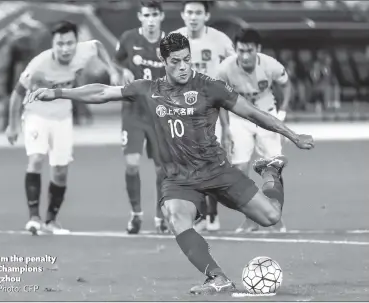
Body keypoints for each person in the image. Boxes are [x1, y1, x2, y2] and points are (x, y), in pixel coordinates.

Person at [26, 33, 314, 294]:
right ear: (163, 61)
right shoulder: (147, 89)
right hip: (179, 178)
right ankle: (217, 277)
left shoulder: (209, 87)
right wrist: (59, 92)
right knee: (175, 216)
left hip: (216, 170)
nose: (183, 66)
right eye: (175, 61)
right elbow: (103, 92)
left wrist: (293, 134)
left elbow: (253, 113)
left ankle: (271, 171)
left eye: (187, 60)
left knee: (271, 217)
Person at [5, 21, 119, 235]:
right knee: (37, 158)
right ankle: (34, 218)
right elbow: (17, 94)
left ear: (76, 43)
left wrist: (111, 70)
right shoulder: (38, 65)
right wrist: (12, 126)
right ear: (53, 44)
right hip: (36, 114)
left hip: (63, 117)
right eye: (60, 44)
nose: (65, 48)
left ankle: (51, 221)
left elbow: (98, 46)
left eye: (69, 43)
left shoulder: (83, 52)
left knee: (60, 171)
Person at [215, 29, 292, 233]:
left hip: (266, 115)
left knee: (273, 169)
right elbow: (219, 100)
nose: (245, 56)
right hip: (238, 119)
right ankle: (251, 219)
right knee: (240, 171)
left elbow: (287, 85)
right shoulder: (224, 69)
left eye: (250, 51)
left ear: (258, 49)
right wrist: (225, 128)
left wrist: (282, 113)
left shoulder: (270, 65)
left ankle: (275, 218)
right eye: (241, 50)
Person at [172, 0, 235, 232]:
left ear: (206, 16)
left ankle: (211, 215)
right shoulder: (173, 40)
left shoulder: (221, 41)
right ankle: (200, 216)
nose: (193, 17)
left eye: (198, 12)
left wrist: (228, 124)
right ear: (182, 15)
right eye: (189, 12)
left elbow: (231, 73)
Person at [114, 0, 168, 234]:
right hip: (133, 112)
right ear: (140, 16)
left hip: (160, 114)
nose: (151, 19)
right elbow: (116, 62)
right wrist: (120, 72)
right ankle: (136, 214)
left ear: (161, 17)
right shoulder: (128, 39)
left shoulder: (171, 43)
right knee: (132, 165)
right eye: (147, 15)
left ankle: (161, 216)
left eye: (154, 15)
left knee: (162, 170)